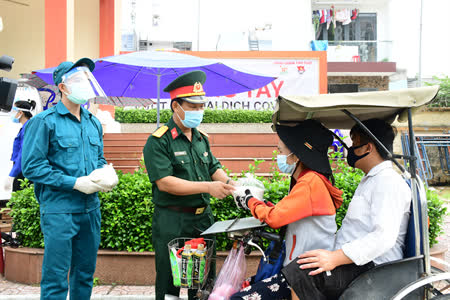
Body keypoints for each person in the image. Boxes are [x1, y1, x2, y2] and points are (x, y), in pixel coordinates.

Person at [282, 118, 411, 300]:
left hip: (374, 267)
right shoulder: (371, 179)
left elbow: (383, 237)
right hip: (355, 260)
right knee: (304, 263)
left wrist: (335, 258)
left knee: (302, 273)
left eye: (355, 143)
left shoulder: (387, 182)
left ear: (368, 148)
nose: (350, 150)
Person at [22, 58, 118, 300]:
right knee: (56, 277)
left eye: (86, 79)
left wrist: (103, 173)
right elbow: (32, 167)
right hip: (59, 211)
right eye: (78, 80)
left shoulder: (93, 122)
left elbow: (98, 158)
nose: (85, 84)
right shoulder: (44, 122)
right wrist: (74, 183)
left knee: (85, 274)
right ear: (63, 87)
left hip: (90, 210)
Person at [143, 70, 236, 300]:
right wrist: (207, 188)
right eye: (193, 107)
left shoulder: (201, 137)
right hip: (172, 220)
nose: (198, 112)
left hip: (203, 220)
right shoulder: (159, 141)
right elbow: (165, 183)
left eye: (201, 106)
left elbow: (214, 168)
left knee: (204, 282)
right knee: (169, 283)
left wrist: (234, 186)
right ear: (176, 106)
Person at [231, 119, 344, 300]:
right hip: (300, 268)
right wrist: (262, 204)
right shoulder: (309, 180)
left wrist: (250, 201)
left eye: (281, 151)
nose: (279, 156)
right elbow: (286, 211)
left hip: (306, 274)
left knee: (237, 298)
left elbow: (275, 219)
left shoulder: (309, 182)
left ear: (296, 155)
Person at [4, 99, 36, 192]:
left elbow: (23, 153)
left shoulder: (28, 128)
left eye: (14, 110)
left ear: (21, 112)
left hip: (23, 170)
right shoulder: (26, 127)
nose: (12, 113)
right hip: (21, 168)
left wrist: (12, 175)